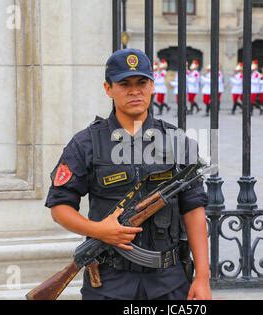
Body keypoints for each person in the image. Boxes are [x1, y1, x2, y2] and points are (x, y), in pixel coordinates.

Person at [45, 48, 211, 300]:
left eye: (141, 82)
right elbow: (59, 207)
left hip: (169, 281)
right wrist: (99, 231)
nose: (135, 91)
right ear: (108, 88)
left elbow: (194, 210)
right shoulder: (85, 144)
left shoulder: (177, 141)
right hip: (109, 283)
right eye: (125, 84)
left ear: (153, 86)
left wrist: (202, 277)